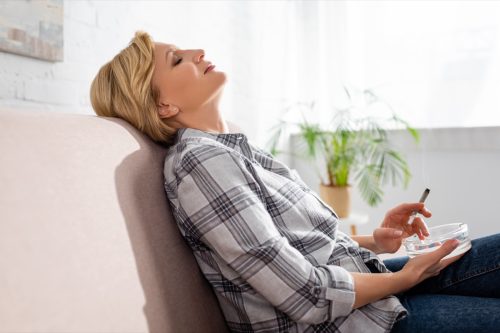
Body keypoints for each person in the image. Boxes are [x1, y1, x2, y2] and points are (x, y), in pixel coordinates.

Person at [90, 31, 500, 333]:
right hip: (346, 323)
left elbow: (295, 246)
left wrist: (376, 240)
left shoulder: (236, 149)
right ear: (164, 104)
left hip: (369, 292)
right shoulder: (201, 163)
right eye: (178, 60)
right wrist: (403, 278)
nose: (198, 51)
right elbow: (303, 293)